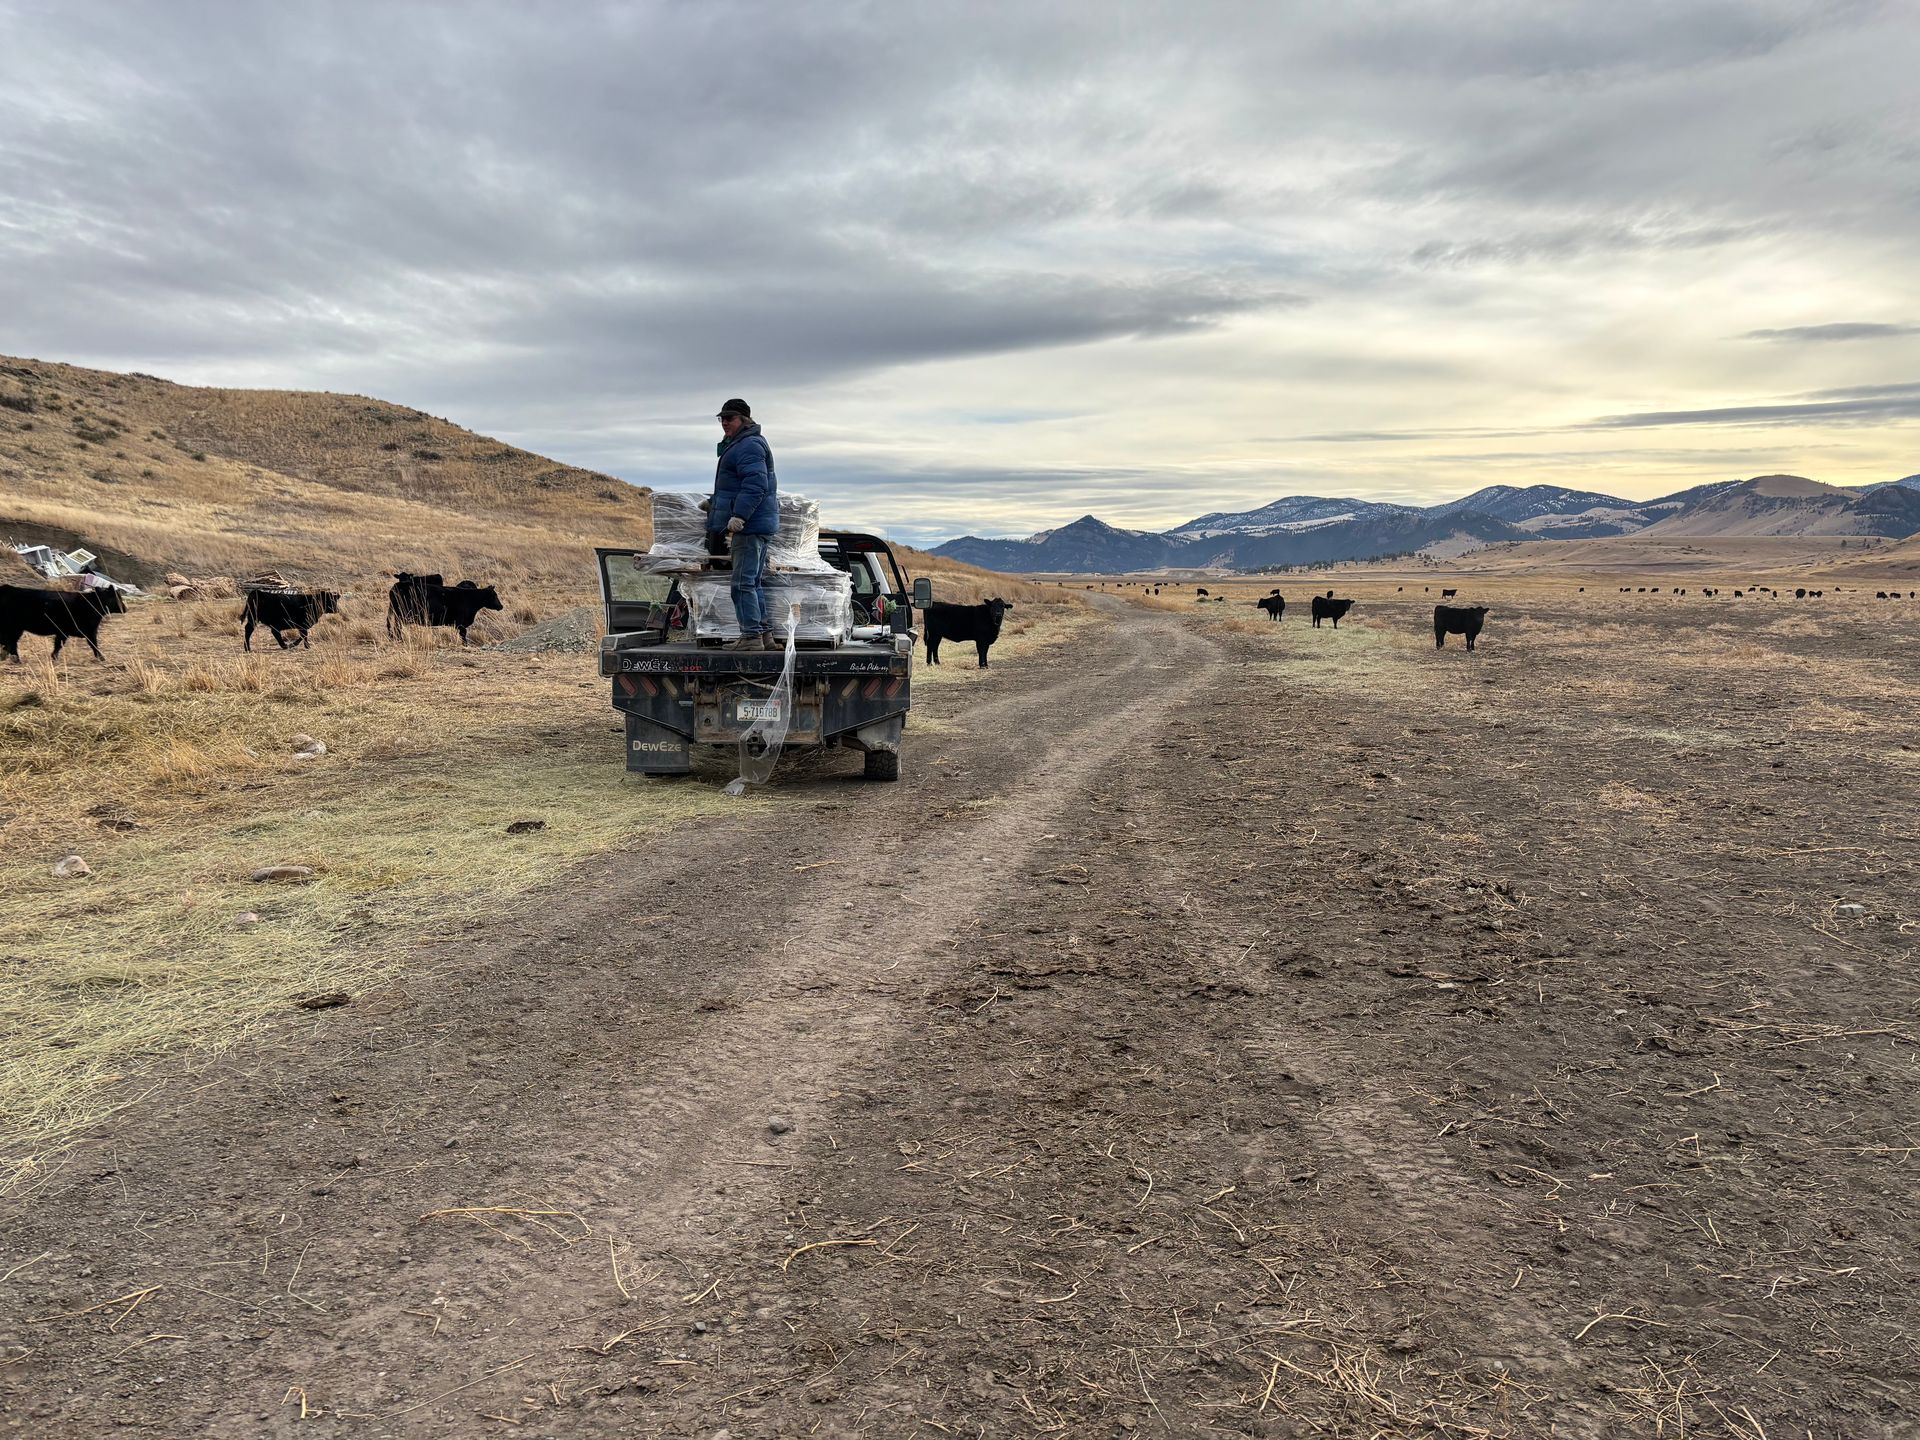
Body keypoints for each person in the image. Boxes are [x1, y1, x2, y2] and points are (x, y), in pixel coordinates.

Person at [706, 398, 779, 650]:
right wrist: (715, 506)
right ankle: (764, 636)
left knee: (742, 583)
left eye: (730, 418)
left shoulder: (748, 445)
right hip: (757, 524)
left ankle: (750, 638)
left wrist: (740, 516)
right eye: (722, 418)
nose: (725, 422)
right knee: (753, 582)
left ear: (744, 420)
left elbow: (756, 485)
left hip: (750, 526)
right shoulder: (743, 444)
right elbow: (736, 486)